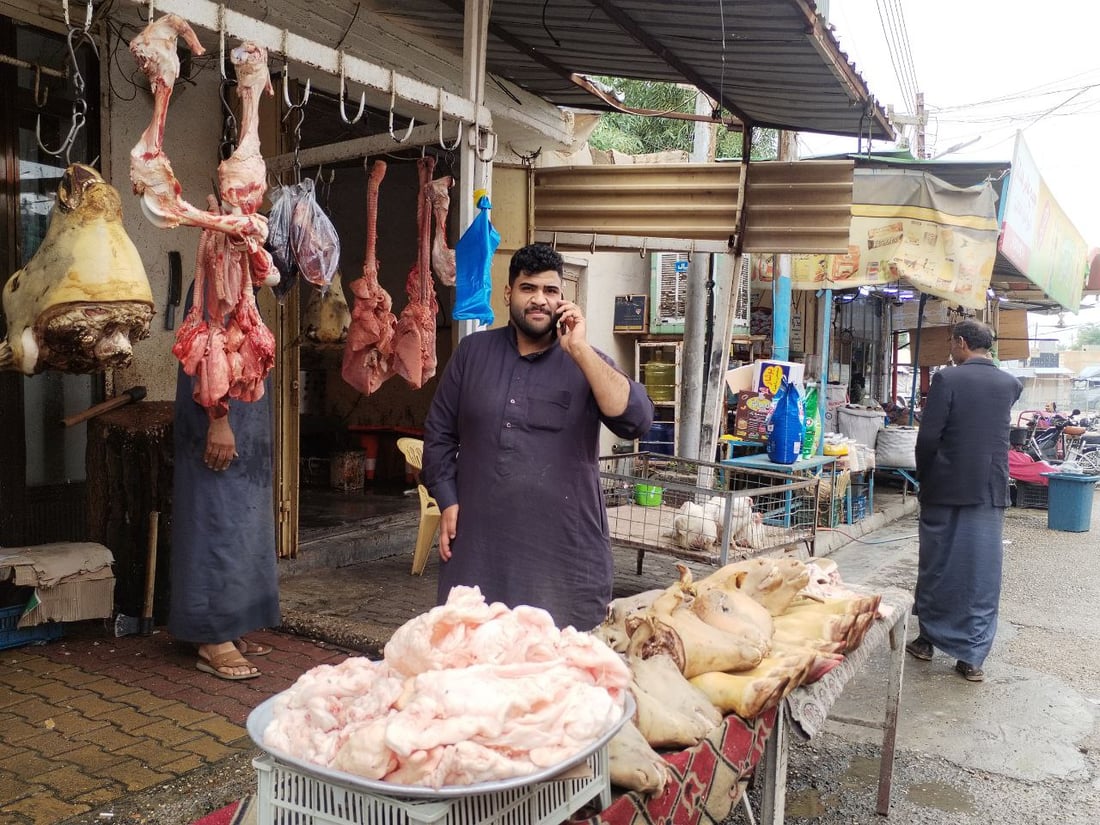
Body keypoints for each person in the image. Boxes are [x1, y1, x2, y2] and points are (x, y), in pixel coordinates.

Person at [422, 243, 655, 630]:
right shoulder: (472, 353)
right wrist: (446, 500)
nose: (539, 300)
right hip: (479, 552)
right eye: (528, 288)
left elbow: (637, 420)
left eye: (550, 291)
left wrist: (579, 349)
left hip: (563, 561)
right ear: (508, 294)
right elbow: (438, 434)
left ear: (563, 300)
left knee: (560, 672)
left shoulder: (585, 359)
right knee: (472, 661)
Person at [168, 283, 280, 680]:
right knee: (215, 521)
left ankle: (230, 625)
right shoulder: (217, 275)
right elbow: (210, 353)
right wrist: (218, 420)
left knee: (241, 525)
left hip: (244, 423)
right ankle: (212, 637)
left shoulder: (241, 274)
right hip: (217, 415)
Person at [907, 319, 1022, 682]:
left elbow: (928, 439)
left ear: (960, 343)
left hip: (944, 487)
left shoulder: (948, 379)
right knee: (980, 572)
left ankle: (927, 640)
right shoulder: (1010, 383)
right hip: (989, 489)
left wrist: (925, 476)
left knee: (938, 563)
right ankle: (972, 657)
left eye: (950, 343)